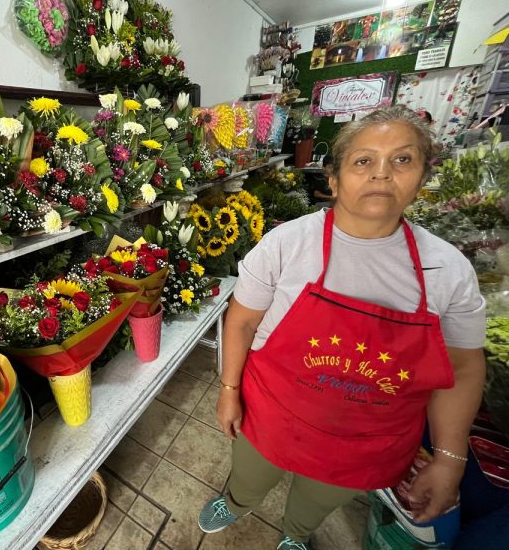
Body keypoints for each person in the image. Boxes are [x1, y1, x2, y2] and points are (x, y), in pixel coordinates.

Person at [197, 105, 486, 550]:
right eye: (363, 160)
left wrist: (450, 458)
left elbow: (463, 369)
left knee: (317, 500)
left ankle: (296, 534)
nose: (382, 173)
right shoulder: (287, 244)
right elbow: (242, 321)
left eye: (402, 159)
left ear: (422, 179)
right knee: (250, 474)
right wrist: (229, 389)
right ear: (333, 180)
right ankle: (237, 502)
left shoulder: (447, 270)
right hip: (272, 414)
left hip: (367, 441)